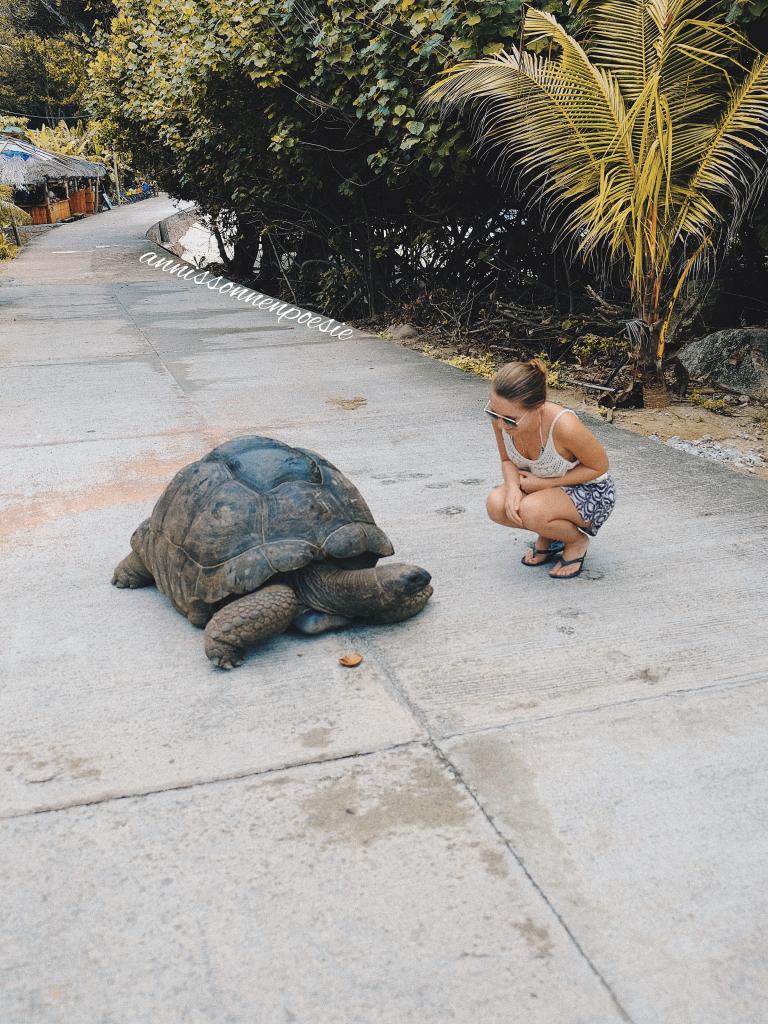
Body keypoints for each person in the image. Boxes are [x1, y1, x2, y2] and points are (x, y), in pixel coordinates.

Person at [485, 358, 616, 579]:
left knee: (530, 510)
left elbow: (599, 466)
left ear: (537, 407)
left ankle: (575, 541)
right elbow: (507, 461)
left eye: (510, 420)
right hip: (540, 489)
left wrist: (545, 483)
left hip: (590, 491)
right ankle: (551, 534)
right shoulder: (502, 418)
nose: (501, 425)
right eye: (494, 413)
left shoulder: (564, 426)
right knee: (497, 504)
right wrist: (513, 488)